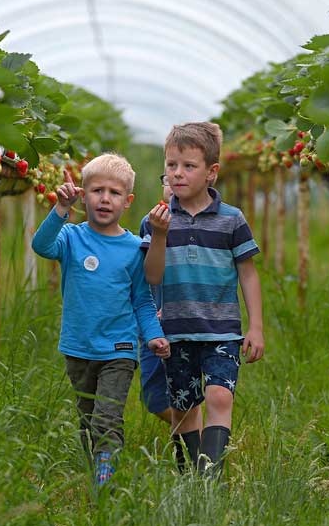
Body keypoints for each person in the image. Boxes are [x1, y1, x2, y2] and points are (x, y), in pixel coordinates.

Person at [31, 153, 170, 487]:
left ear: (127, 201)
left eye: (114, 193)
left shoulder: (135, 248)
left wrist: (153, 335)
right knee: (87, 415)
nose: (105, 198)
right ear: (83, 193)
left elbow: (142, 300)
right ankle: (92, 462)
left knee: (107, 416)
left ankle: (105, 475)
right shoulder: (72, 237)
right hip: (78, 347)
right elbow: (41, 245)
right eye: (96, 191)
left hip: (119, 349)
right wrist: (60, 211)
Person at [142, 122, 265, 477]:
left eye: (188, 166)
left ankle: (211, 478)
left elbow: (248, 273)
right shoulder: (156, 220)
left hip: (222, 329)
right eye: (171, 165)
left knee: (219, 396)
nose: (178, 173)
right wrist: (161, 234)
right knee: (182, 407)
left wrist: (255, 327)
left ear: (212, 172)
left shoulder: (232, 220)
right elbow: (152, 276)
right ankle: (191, 477)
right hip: (175, 330)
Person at [137, 179, 202, 473]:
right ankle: (194, 426)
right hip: (154, 324)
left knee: (184, 388)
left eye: (185, 169)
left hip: (188, 323)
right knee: (153, 396)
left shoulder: (207, 223)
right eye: (166, 175)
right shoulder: (149, 223)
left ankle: (195, 457)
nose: (174, 180)